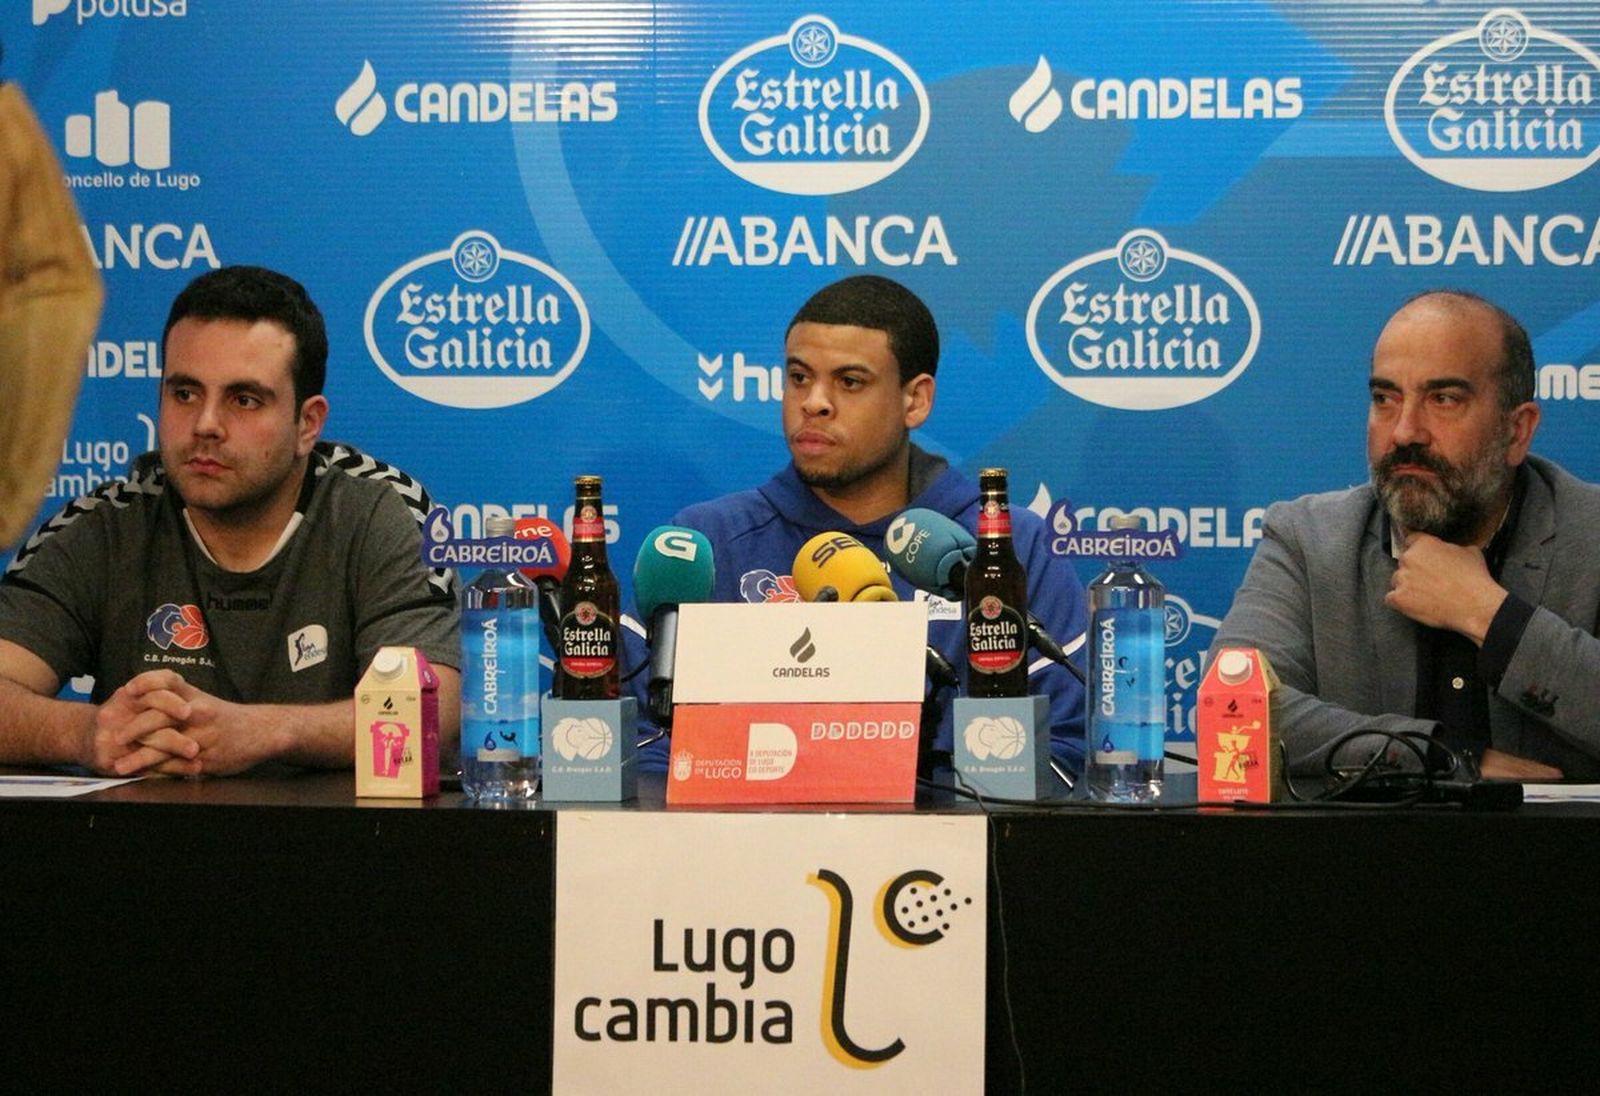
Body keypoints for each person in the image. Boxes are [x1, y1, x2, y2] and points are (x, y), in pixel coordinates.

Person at [0, 266, 460, 778]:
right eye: (185, 394)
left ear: (307, 424)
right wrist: (86, 733)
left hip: (340, 830)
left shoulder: (380, 511)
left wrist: (266, 732)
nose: (206, 425)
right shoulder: (105, 526)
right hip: (147, 831)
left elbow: (430, 715)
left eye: (244, 400)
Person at [646, 274, 1088, 770]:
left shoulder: (1007, 550)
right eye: (799, 377)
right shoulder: (705, 545)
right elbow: (642, 748)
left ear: (915, 400)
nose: (814, 402)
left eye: (849, 382)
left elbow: (1067, 750)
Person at [1211, 289, 1600, 781]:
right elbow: (1233, 710)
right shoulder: (1306, 540)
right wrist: (1438, 756)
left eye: (1443, 399)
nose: (1405, 432)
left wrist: (1489, 615)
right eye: (1385, 399)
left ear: (1517, 430)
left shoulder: (1590, 533)